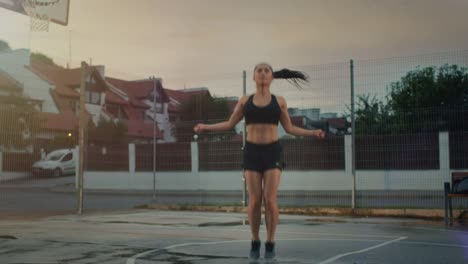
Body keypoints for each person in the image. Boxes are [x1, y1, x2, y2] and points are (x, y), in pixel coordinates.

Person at [193, 62, 326, 261]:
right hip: (252, 152)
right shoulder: (245, 101)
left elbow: (290, 129)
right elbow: (230, 124)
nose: (263, 73)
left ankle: (270, 242)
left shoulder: (279, 101)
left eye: (266, 70)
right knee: (254, 200)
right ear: (254, 77)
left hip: (273, 152)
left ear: (272, 77)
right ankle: (255, 240)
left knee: (270, 199)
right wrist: (205, 127)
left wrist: (312, 132)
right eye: (259, 70)